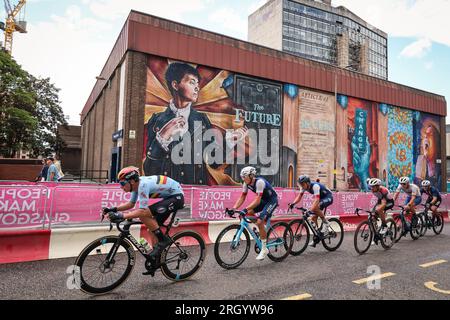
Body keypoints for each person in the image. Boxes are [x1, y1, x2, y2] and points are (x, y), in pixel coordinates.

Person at [143, 62, 247, 185]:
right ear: (175, 85)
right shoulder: (156, 121)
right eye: (192, 82)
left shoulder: (202, 120)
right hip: (168, 192)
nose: (197, 88)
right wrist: (162, 137)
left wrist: (230, 142)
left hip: (196, 193)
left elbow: (215, 163)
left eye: (197, 84)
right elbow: (149, 170)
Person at [102, 167, 184, 273]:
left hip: (176, 198)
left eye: (122, 184)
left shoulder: (143, 185)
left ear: (131, 181)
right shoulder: (136, 186)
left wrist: (121, 216)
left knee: (143, 215)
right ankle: (156, 259)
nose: (121, 187)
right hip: (169, 198)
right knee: (151, 229)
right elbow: (131, 204)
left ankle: (163, 240)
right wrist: (114, 209)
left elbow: (142, 211)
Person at [228, 166, 278, 261]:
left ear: (251, 176)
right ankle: (261, 230)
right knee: (244, 215)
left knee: (259, 222)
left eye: (245, 176)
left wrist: (245, 209)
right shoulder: (246, 183)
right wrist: (234, 208)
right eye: (242, 177)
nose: (243, 179)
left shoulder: (259, 182)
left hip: (271, 201)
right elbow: (242, 197)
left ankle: (264, 249)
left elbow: (257, 200)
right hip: (264, 200)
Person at [288, 175, 333, 246]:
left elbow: (316, 200)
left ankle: (326, 222)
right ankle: (317, 237)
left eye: (303, 184)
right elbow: (299, 196)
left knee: (315, 207)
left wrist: (310, 211)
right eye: (300, 184)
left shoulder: (315, 186)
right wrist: (293, 203)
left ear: (308, 183)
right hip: (321, 198)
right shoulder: (304, 187)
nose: (302, 186)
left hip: (328, 196)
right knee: (313, 219)